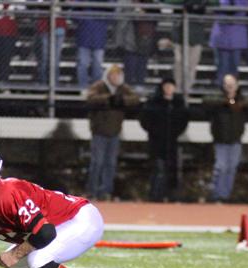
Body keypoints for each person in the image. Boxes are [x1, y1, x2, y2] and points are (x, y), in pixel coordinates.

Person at [86, 64, 140, 199]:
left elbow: (135, 99)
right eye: (113, 75)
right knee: (97, 162)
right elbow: (90, 98)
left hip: (115, 132)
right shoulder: (99, 86)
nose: (115, 78)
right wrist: (108, 99)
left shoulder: (123, 88)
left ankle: (106, 191)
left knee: (111, 163)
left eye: (118, 75)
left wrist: (122, 100)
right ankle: (92, 191)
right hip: (99, 131)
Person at [204, 74, 248, 201]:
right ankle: (216, 194)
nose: (229, 87)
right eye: (227, 84)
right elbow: (206, 101)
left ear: (237, 85)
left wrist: (238, 103)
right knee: (221, 167)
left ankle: (225, 194)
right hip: (220, 140)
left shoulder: (241, 99)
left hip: (235, 140)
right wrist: (227, 101)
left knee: (232, 168)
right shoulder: (218, 98)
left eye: (232, 84)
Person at [140, 77, 190, 201]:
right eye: (166, 86)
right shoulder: (153, 102)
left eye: (171, 86)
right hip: (156, 142)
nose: (168, 88)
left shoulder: (178, 102)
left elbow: (184, 120)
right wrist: (154, 131)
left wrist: (175, 132)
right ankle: (155, 195)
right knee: (158, 168)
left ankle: (171, 195)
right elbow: (144, 119)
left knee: (172, 169)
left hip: (172, 142)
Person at [209, 0, 248, 85]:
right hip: (221, 35)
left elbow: (241, 12)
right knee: (222, 66)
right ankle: (221, 87)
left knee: (234, 67)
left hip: (236, 36)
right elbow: (217, 10)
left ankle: (232, 90)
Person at [75, 0, 110, 89]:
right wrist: (81, 19)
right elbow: (74, 10)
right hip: (84, 34)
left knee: (97, 64)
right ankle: (83, 88)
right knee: (83, 63)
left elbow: (111, 10)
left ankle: (96, 89)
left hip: (99, 34)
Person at [35, 1, 67, 85]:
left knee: (55, 59)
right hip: (45, 27)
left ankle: (54, 83)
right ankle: (43, 82)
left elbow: (67, 6)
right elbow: (39, 5)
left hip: (59, 28)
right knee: (44, 57)